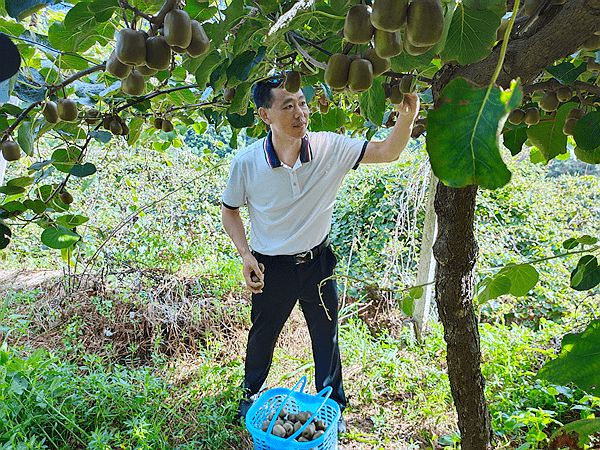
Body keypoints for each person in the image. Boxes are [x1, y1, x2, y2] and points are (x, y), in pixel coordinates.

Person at [221, 74, 419, 433]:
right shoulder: (247, 163)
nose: (300, 112)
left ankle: (333, 404)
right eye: (288, 106)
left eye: (302, 103)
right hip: (271, 267)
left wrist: (406, 117)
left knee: (325, 333)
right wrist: (246, 255)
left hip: (317, 262)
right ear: (265, 115)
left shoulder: (329, 148)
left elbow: (387, 152)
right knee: (263, 332)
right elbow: (229, 210)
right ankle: (249, 394)